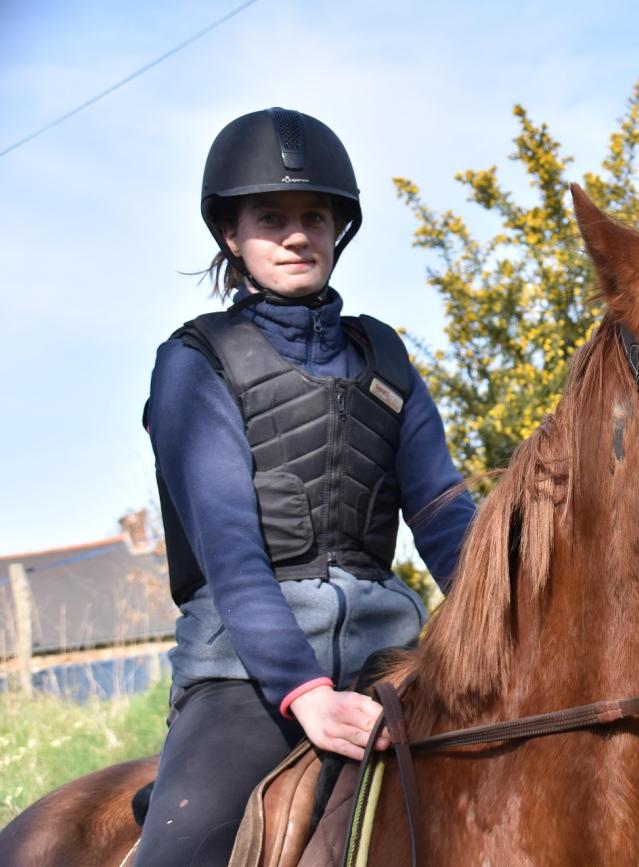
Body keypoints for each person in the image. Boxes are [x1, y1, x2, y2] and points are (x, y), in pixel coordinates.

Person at [136, 107, 476, 867]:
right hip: (246, 677)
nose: (297, 235)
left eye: (314, 217)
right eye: (272, 218)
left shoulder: (384, 357)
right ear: (232, 234)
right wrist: (306, 693)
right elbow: (230, 552)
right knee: (183, 850)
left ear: (338, 228)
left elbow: (444, 513)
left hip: (392, 656)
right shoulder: (197, 361)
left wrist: (512, 620)